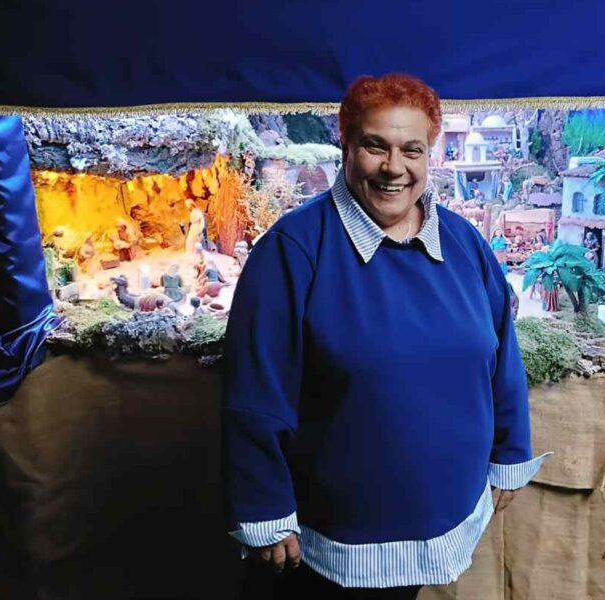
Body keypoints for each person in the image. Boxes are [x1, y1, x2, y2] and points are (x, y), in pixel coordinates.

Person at [223, 73, 550, 599]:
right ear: (346, 145)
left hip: (441, 514)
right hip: (333, 537)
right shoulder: (293, 250)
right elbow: (255, 393)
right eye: (375, 146)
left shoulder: (464, 243)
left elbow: (500, 358)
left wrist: (509, 453)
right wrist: (264, 508)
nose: (394, 167)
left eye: (411, 150)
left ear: (429, 155)